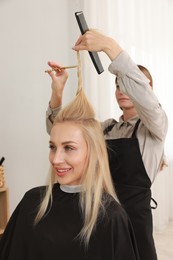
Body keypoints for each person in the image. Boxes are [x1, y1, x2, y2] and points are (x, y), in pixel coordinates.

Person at [0, 52, 140, 260]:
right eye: (52, 147)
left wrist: (111, 48)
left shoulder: (111, 218)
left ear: (92, 152)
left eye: (69, 148)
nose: (55, 159)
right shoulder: (32, 203)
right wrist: (57, 92)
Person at [45, 31, 168, 260]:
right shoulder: (106, 128)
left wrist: (111, 48)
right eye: (118, 85)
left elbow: (146, 99)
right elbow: (61, 132)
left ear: (145, 90)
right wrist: (57, 92)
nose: (122, 89)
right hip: (103, 215)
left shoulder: (154, 127)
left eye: (128, 85)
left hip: (135, 219)